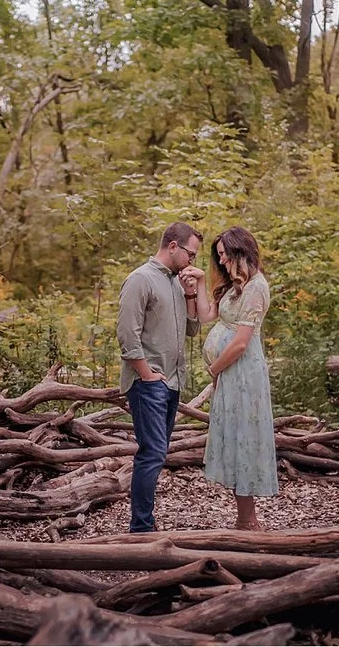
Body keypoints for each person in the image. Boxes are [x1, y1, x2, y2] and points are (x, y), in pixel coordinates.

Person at [118, 221, 205, 534]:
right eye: (190, 254)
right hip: (149, 382)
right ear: (172, 246)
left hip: (173, 382)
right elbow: (128, 333)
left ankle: (145, 523)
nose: (192, 261)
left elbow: (193, 329)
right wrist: (146, 373)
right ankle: (141, 528)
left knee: (157, 451)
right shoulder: (140, 279)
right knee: (152, 452)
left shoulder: (174, 282)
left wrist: (191, 293)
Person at [201, 225, 278, 529]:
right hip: (230, 372)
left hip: (244, 373)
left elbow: (242, 341)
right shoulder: (237, 285)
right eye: (218, 257)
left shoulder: (257, 286)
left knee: (244, 438)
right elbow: (208, 316)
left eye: (224, 256)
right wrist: (194, 286)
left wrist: (214, 368)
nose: (221, 262)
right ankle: (243, 518)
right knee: (233, 439)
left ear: (239, 251)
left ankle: (250, 521)